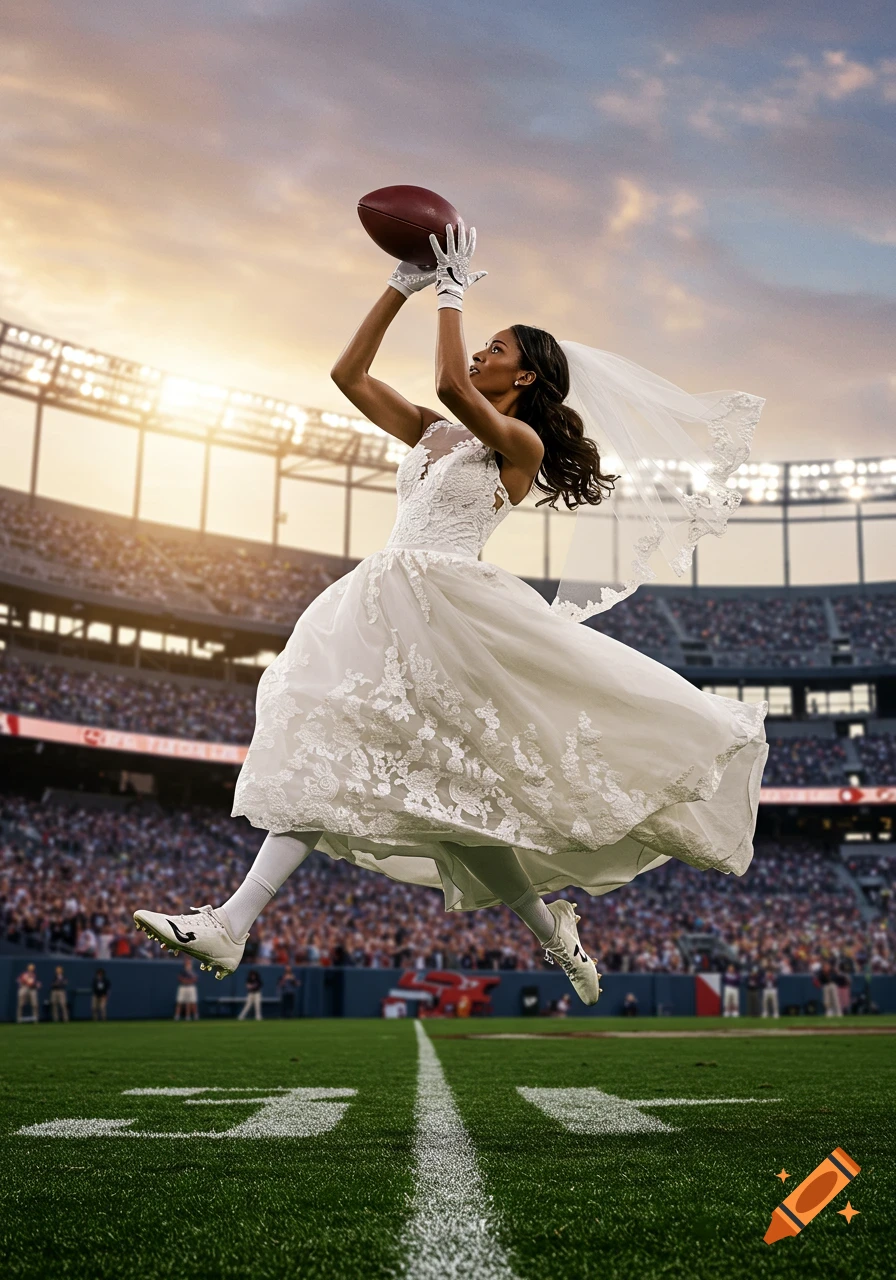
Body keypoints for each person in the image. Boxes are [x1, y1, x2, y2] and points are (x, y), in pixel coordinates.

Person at [133, 220, 767, 1007]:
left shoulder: (518, 445)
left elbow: (448, 387)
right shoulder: (435, 436)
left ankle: (234, 920)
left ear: (527, 378)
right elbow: (348, 373)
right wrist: (401, 286)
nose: (480, 353)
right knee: (433, 795)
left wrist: (453, 293)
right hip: (384, 598)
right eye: (483, 342)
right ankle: (246, 923)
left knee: (450, 799)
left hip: (450, 611)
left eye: (496, 349)